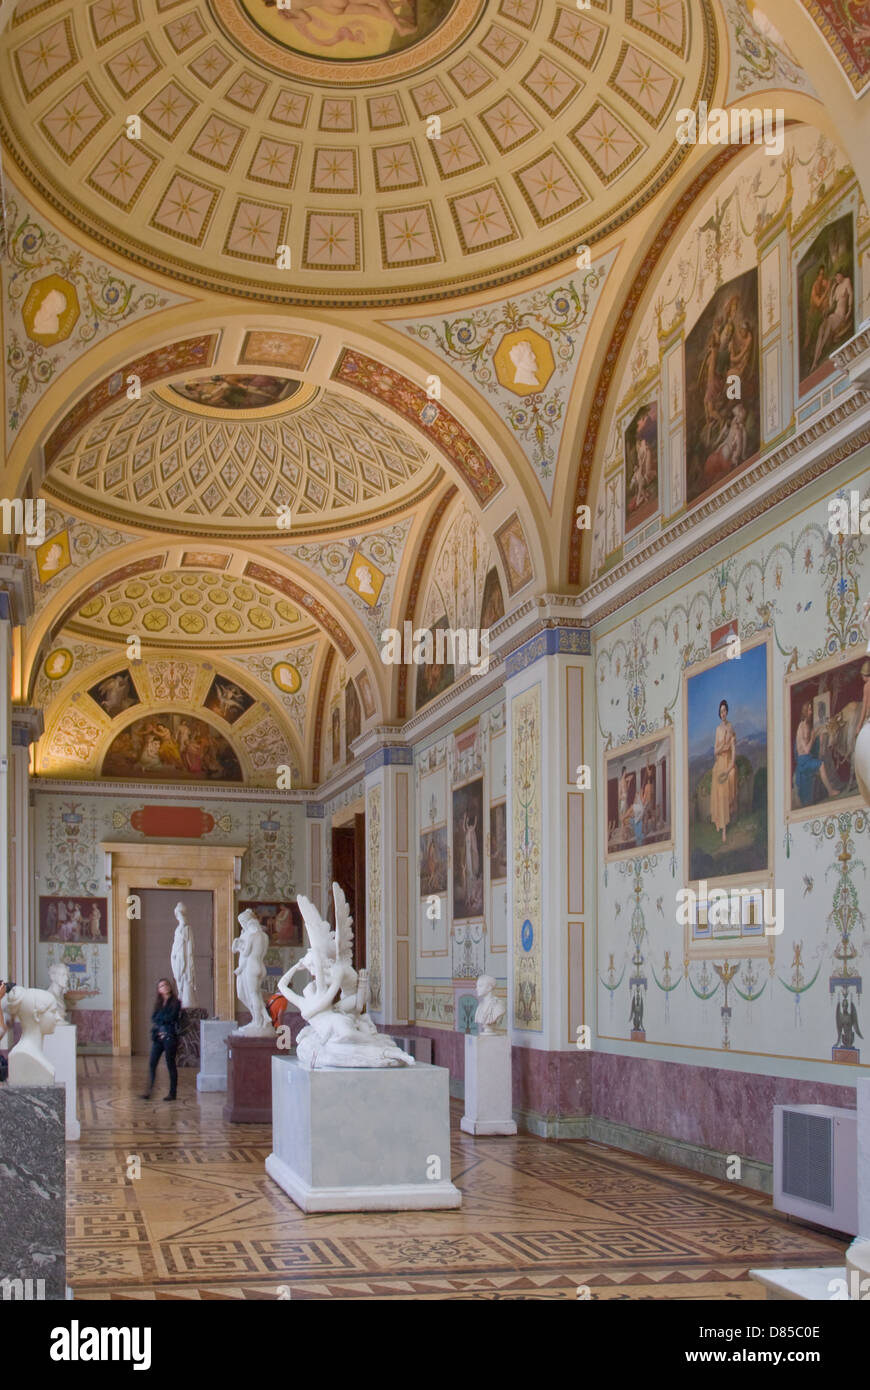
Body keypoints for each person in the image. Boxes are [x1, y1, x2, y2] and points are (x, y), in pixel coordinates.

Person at [142, 978, 180, 1101]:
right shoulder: (158, 1004)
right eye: (161, 986)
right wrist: (162, 1020)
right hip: (158, 1036)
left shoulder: (176, 1002)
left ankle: (172, 1093)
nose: (165, 987)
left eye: (166, 985)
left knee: (170, 1064)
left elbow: (172, 1017)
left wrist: (162, 1020)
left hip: (169, 1036)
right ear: (159, 990)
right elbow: (154, 1018)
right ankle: (149, 1091)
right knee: (152, 1063)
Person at [711, 699, 738, 842]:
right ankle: (723, 828)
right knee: (720, 793)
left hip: (728, 762)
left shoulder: (731, 727)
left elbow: (733, 750)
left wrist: (730, 767)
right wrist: (722, 746)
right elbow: (715, 751)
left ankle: (728, 817)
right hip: (719, 761)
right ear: (719, 713)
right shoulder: (718, 730)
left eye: (724, 711)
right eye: (721, 711)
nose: (723, 713)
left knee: (729, 786)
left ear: (727, 711)